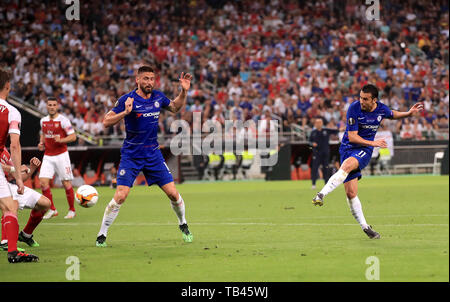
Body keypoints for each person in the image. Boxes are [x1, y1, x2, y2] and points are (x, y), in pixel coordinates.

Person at [95, 65, 194, 247]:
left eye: (151, 79)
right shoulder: (127, 99)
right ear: (137, 80)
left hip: (153, 154)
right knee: (121, 195)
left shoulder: (158, 96)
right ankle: (102, 234)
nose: (149, 82)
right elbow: (105, 121)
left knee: (173, 193)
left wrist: (183, 91)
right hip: (131, 155)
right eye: (145, 79)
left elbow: (174, 108)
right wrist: (125, 112)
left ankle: (183, 223)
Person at [311, 84, 423, 239]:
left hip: (364, 150)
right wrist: (374, 143)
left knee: (347, 166)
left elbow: (392, 114)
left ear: (374, 100)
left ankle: (321, 194)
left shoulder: (381, 109)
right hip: (348, 148)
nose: (361, 101)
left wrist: (408, 113)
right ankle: (366, 227)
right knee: (351, 193)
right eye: (360, 97)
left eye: (365, 99)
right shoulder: (354, 108)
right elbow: (352, 137)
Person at [0, 68, 38, 263]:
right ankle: (13, 252)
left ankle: (13, 251)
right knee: (10, 207)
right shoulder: (11, 112)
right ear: (8, 86)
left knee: (9, 205)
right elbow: (14, 145)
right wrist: (19, 181)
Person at [0, 148, 51, 250]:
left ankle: (26, 235)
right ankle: (6, 242)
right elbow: (12, 169)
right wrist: (15, 169)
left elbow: (18, 177)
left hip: (9, 185)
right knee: (12, 205)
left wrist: (31, 168)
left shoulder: (4, 150)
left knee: (45, 204)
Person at [38, 97, 77, 219]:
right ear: (47, 106)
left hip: (61, 155)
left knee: (66, 183)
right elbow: (43, 134)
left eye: (54, 105)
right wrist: (41, 143)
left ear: (57, 106)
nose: (52, 107)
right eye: (49, 105)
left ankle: (72, 210)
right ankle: (52, 209)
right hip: (48, 155)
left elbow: (73, 137)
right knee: (43, 182)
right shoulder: (43, 120)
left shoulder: (63, 120)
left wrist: (61, 140)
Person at [309, 118, 339, 189]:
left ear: (322, 124)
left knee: (326, 168)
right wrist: (312, 144)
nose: (319, 124)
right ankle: (313, 184)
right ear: (315, 124)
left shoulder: (326, 130)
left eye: (320, 123)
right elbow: (309, 142)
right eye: (317, 123)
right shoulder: (313, 132)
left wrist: (344, 128)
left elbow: (336, 131)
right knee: (314, 168)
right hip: (316, 153)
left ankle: (326, 184)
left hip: (325, 153)